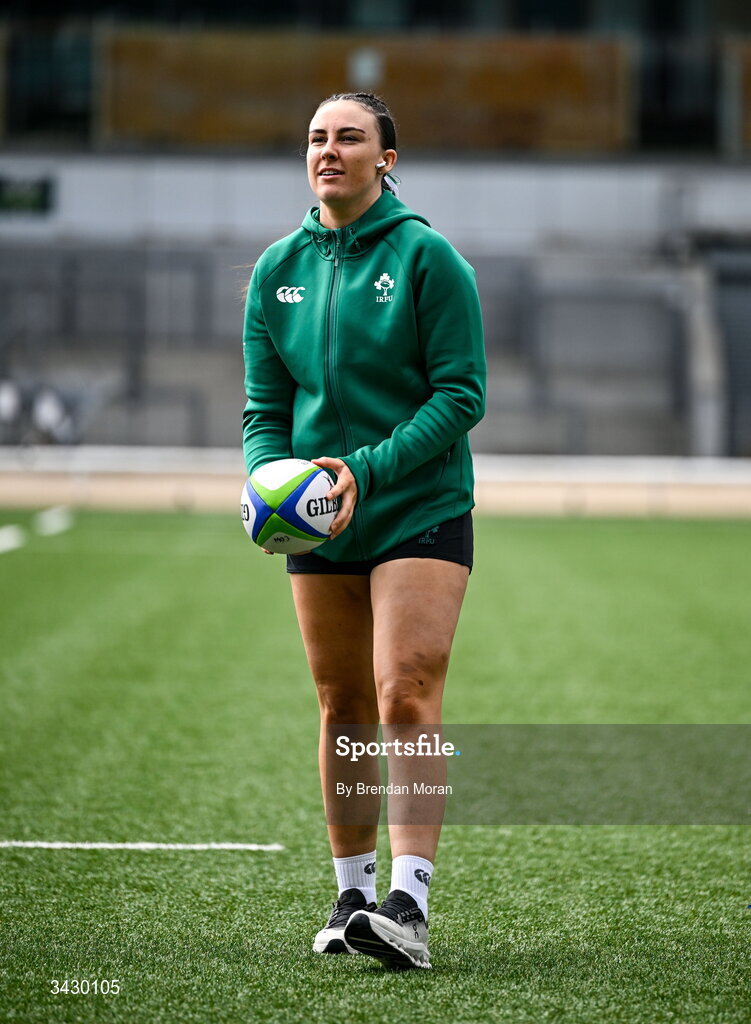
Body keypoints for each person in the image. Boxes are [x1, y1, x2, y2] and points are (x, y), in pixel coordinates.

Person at [242, 92, 485, 969]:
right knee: (341, 706)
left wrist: (365, 470)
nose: (328, 150)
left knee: (403, 691)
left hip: (416, 505)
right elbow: (265, 409)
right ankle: (351, 894)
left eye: (349, 137)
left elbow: (462, 395)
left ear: (387, 158)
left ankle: (408, 908)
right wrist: (273, 481)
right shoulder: (275, 271)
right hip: (314, 517)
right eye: (316, 137)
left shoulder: (428, 259)